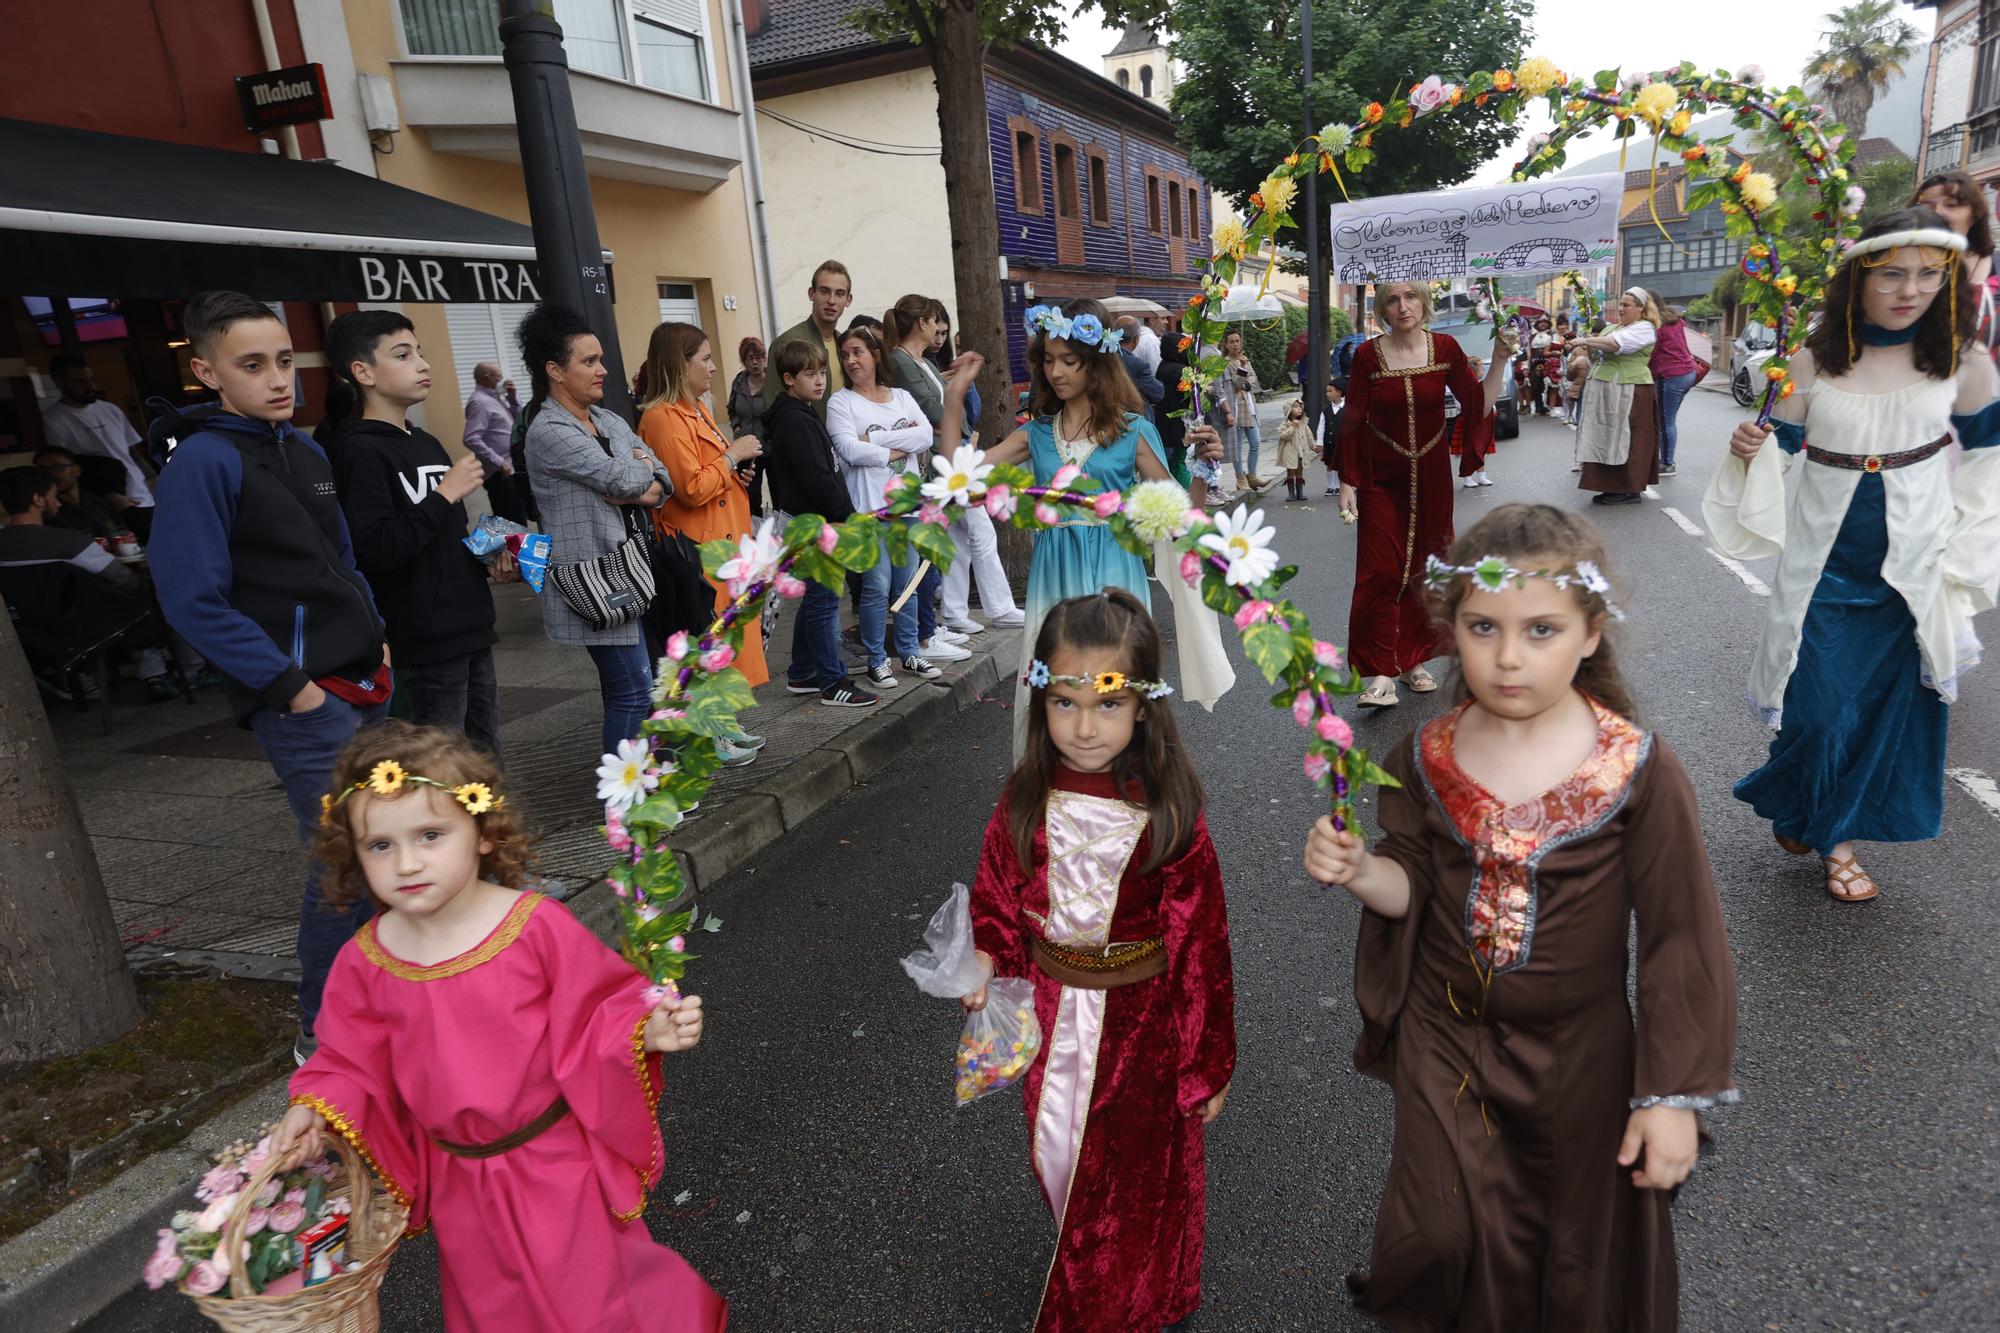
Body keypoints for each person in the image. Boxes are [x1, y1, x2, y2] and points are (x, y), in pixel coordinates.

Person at [1304, 503, 1741, 1331]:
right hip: (1446, 1035)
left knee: (1569, 1252)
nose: (1508, 657)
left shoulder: (1637, 769)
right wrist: (1364, 869)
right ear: (1449, 627)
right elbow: (1413, 887)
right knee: (1437, 1230)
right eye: (1482, 627)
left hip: (1581, 1060)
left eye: (1541, 629)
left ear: (1589, 633)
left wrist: (1671, 1097)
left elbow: (1683, 938)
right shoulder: (1423, 755)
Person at [271, 722, 726, 1333]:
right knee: (492, 1310)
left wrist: (646, 1031)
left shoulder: (534, 927)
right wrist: (314, 1107)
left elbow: (600, 1009)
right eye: (380, 845)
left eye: (431, 835)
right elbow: (349, 1062)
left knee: (591, 1302)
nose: (407, 862)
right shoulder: (365, 959)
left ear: (482, 832)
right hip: (461, 1182)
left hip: (554, 1168)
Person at [1705, 206, 2000, 902]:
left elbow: (1990, 461)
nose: (1910, 289)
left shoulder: (1963, 359)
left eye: (1929, 275)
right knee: (1821, 709)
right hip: (1825, 571)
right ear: (1858, 277)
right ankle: (1800, 794)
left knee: (1885, 716)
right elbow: (1775, 449)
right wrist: (1749, 451)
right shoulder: (1814, 356)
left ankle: (1836, 838)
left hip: (1915, 572)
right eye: (1892, 273)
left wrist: (1965, 554)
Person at [963, 589, 1234, 1333]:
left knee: (1132, 1181)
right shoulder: (1026, 796)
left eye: (1107, 706)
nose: (1084, 727)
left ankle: (1118, 1302)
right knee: (1063, 1161)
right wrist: (986, 955)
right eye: (1067, 703)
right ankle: (1102, 1273)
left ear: (1143, 707)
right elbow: (999, 889)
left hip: (1141, 1034)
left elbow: (1201, 944)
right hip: (1052, 1021)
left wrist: (1204, 1061)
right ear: (1042, 698)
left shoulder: (1168, 812)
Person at [149, 290, 391, 1060]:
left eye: (284, 360)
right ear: (206, 372)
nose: (277, 379)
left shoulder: (306, 450)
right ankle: (322, 1031)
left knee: (381, 851)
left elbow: (342, 563)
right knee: (344, 863)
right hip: (304, 703)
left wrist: (378, 638)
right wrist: (292, 686)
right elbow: (191, 598)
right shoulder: (204, 463)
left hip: (362, 683)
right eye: (252, 365)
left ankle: (378, 1002)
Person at [938, 298, 1232, 759]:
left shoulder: (1132, 431)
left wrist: (1201, 470)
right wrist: (954, 399)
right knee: (1057, 690)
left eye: (1069, 361)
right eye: (1049, 360)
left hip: (1117, 583)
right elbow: (959, 473)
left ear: (1096, 363)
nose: (1057, 372)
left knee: (1116, 691)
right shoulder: (1034, 433)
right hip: (1053, 585)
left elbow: (1179, 518)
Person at [324, 311, 510, 756]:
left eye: (420, 353)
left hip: (471, 623)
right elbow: (377, 548)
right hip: (424, 637)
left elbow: (447, 533)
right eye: (403, 355)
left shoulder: (425, 442)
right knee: (440, 764)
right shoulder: (357, 451)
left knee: (486, 757)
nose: (423, 365)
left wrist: (494, 553)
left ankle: (491, 829)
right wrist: (443, 494)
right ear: (362, 372)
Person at [1336, 281, 1514, 709]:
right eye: (1393, 300)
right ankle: (1381, 671)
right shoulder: (1367, 356)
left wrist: (1500, 358)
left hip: (1432, 476)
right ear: (1383, 308)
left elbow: (1477, 404)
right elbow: (1354, 419)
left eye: (1411, 297)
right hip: (1382, 476)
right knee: (1380, 570)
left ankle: (1414, 660)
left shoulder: (1446, 349)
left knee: (1426, 568)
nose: (1403, 307)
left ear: (1424, 303)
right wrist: (1347, 481)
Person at [519, 303, 675, 759]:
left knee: (637, 686)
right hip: (596, 579)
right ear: (555, 371)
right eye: (588, 361)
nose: (602, 370)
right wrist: (639, 477)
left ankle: (645, 777)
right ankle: (626, 803)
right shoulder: (549, 429)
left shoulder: (608, 420)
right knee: (631, 689)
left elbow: (661, 481)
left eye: (601, 359)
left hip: (632, 569)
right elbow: (624, 479)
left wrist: (645, 483)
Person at [638, 321, 769, 765]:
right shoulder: (660, 417)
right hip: (697, 549)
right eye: (705, 359)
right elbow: (688, 487)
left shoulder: (694, 409)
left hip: (722, 543)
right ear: (681, 364)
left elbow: (707, 473)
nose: (713, 368)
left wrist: (734, 471)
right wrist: (731, 457)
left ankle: (725, 727)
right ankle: (711, 734)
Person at [0, 465, 186, 701]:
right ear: (38, 499)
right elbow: (122, 578)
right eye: (54, 496)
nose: (58, 504)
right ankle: (160, 672)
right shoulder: (68, 542)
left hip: (24, 630)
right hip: (81, 628)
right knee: (144, 596)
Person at [763, 339, 879, 708]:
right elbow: (817, 478)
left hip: (810, 520)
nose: (819, 381)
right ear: (788, 379)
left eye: (822, 372)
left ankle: (802, 672)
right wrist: (846, 517)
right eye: (809, 374)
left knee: (818, 599)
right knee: (825, 601)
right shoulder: (795, 420)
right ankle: (832, 682)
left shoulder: (801, 413)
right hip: (812, 524)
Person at [828, 323, 937, 690]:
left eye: (857, 352)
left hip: (905, 506)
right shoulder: (840, 402)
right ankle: (877, 659)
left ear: (875, 354)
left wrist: (874, 439)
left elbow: (925, 435)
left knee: (906, 585)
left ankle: (908, 651)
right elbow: (847, 449)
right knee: (877, 585)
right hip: (869, 511)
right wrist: (895, 447)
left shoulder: (902, 397)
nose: (851, 360)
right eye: (845, 355)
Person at [40, 352, 157, 542]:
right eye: (80, 382)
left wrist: (153, 479)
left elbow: (131, 451)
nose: (90, 386)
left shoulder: (110, 409)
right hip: (105, 501)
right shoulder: (55, 420)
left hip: (142, 493)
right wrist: (109, 496)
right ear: (60, 383)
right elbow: (64, 467)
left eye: (90, 379)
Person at [1573, 288, 1662, 505]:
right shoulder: (1613, 327)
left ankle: (1629, 488)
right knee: (1604, 435)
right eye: (1620, 304)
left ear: (1641, 308)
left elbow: (1615, 344)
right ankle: (1610, 485)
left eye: (1627, 305)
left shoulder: (1644, 328)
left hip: (1630, 389)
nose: (1621, 309)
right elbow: (1599, 351)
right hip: (1606, 389)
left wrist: (1586, 340)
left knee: (1627, 437)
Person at [1912, 169, 1997, 364]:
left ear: (1974, 216)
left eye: (1952, 205)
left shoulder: (1996, 268)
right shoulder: (1893, 266)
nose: (1938, 212)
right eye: (1927, 205)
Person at [762, 259, 854, 419]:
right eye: (824, 291)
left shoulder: (845, 344)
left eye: (839, 293)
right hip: (805, 439)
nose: (831, 300)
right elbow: (773, 406)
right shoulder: (789, 343)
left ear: (848, 300)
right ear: (812, 294)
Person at [463, 362, 529, 525]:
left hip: (513, 468)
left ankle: (518, 550)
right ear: (486, 378)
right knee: (512, 524)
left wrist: (512, 397)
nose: (502, 379)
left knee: (519, 520)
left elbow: (519, 421)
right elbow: (471, 438)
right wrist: (500, 463)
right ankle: (515, 551)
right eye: (498, 376)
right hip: (501, 474)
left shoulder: (497, 398)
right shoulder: (479, 402)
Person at [32, 445, 124, 541]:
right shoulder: (46, 512)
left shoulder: (99, 502)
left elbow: (121, 533)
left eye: (58, 467)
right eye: (43, 470)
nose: (51, 474)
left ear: (77, 470)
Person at [1650, 302, 1698, 478]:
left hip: (1670, 374)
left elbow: (1650, 353)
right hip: (1688, 372)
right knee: (1668, 420)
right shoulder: (1678, 322)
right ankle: (1665, 459)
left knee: (1665, 421)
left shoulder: (1657, 328)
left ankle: (1668, 463)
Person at [1216, 330, 1266, 493]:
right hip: (1237, 407)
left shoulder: (1244, 359)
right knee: (1237, 445)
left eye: (1238, 341)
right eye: (1232, 342)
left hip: (1249, 405)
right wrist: (1243, 369)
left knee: (1255, 442)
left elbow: (1254, 380)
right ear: (1226, 344)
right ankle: (1240, 477)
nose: (1236, 344)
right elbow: (1236, 384)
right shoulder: (1225, 363)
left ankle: (1252, 475)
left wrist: (1245, 378)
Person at [726, 336, 770, 516]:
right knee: (750, 495)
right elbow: (731, 409)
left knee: (779, 492)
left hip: (770, 447)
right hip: (745, 447)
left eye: (758, 357)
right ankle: (754, 528)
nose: (755, 362)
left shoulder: (771, 383)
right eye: (750, 358)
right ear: (743, 361)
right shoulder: (738, 382)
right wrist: (737, 428)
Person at [1451, 357, 1497, 490]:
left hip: (1481, 421)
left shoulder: (1481, 385)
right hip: (1467, 420)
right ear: (1474, 371)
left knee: (1481, 448)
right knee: (1468, 448)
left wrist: (1491, 408)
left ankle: (1482, 475)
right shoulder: (1463, 388)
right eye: (1481, 368)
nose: (1483, 371)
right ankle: (1467, 476)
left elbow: (1487, 400)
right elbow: (1460, 404)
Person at [1115, 315, 1166, 423]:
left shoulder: (1103, 356)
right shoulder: (1136, 364)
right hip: (1132, 420)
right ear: (1136, 339)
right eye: (1162, 318)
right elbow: (1157, 392)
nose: (1165, 321)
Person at [1275, 397, 1311, 501]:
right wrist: (1292, 427)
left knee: (1300, 470)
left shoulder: (1303, 424)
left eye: (1300, 407)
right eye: (1295, 407)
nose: (1299, 409)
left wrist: (1314, 446)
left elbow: (1309, 436)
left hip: (1301, 452)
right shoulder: (1285, 424)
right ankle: (1291, 493)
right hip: (1290, 452)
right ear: (1289, 410)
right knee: (1290, 471)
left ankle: (1300, 492)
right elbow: (1283, 436)